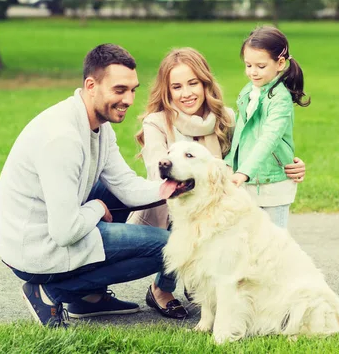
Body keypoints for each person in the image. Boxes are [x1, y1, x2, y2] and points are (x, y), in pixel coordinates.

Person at [0, 44, 176, 328]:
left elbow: (125, 187)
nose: (129, 99)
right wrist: (94, 208)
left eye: (133, 89)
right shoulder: (62, 138)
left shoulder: (100, 127)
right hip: (34, 250)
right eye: (119, 90)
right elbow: (65, 232)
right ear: (91, 85)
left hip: (56, 227)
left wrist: (171, 189)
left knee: (110, 191)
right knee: (168, 248)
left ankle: (88, 299)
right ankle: (49, 292)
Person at [130, 47, 306, 315]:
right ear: (167, 91)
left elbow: (252, 151)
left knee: (229, 224)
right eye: (176, 87)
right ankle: (161, 289)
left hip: (211, 206)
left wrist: (291, 164)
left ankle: (209, 280)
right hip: (167, 204)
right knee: (186, 219)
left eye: (193, 83)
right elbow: (158, 172)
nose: (186, 93)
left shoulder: (225, 119)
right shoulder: (157, 122)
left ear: (205, 83)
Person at [225, 26, 310, 229]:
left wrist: (243, 172)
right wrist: (230, 163)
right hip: (249, 182)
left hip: (273, 183)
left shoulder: (280, 99)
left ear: (280, 63)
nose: (252, 72)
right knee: (249, 240)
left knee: (274, 242)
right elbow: (240, 134)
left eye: (260, 66)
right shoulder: (249, 91)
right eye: (248, 65)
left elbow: (269, 139)